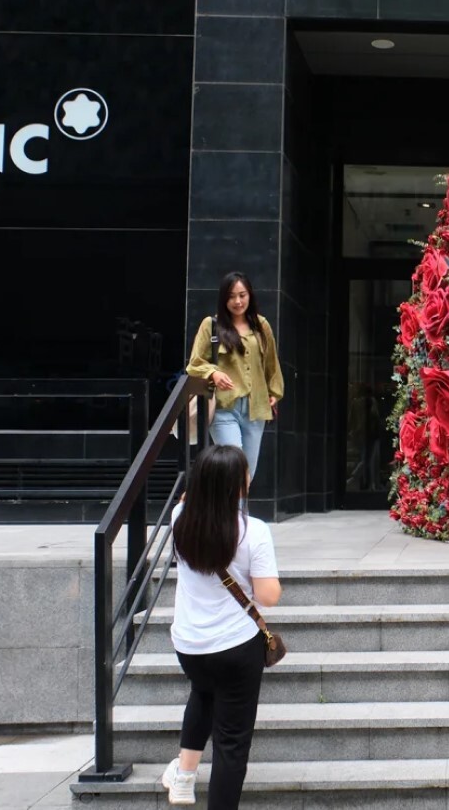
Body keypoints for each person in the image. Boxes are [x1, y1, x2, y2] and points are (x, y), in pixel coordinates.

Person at [162, 445, 282, 807]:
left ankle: (184, 777)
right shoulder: (253, 531)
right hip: (235, 647)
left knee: (204, 692)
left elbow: (189, 499)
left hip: (190, 645)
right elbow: (268, 596)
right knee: (231, 745)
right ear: (238, 486)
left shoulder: (181, 516)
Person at [186, 272, 284, 482]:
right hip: (223, 407)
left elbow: (271, 362)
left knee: (248, 473)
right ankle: (230, 514)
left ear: (250, 296)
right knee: (233, 469)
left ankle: (237, 513)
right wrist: (214, 372)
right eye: (231, 296)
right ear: (224, 298)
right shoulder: (211, 325)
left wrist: (274, 392)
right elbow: (194, 364)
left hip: (255, 408)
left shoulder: (261, 325)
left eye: (242, 295)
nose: (238, 301)